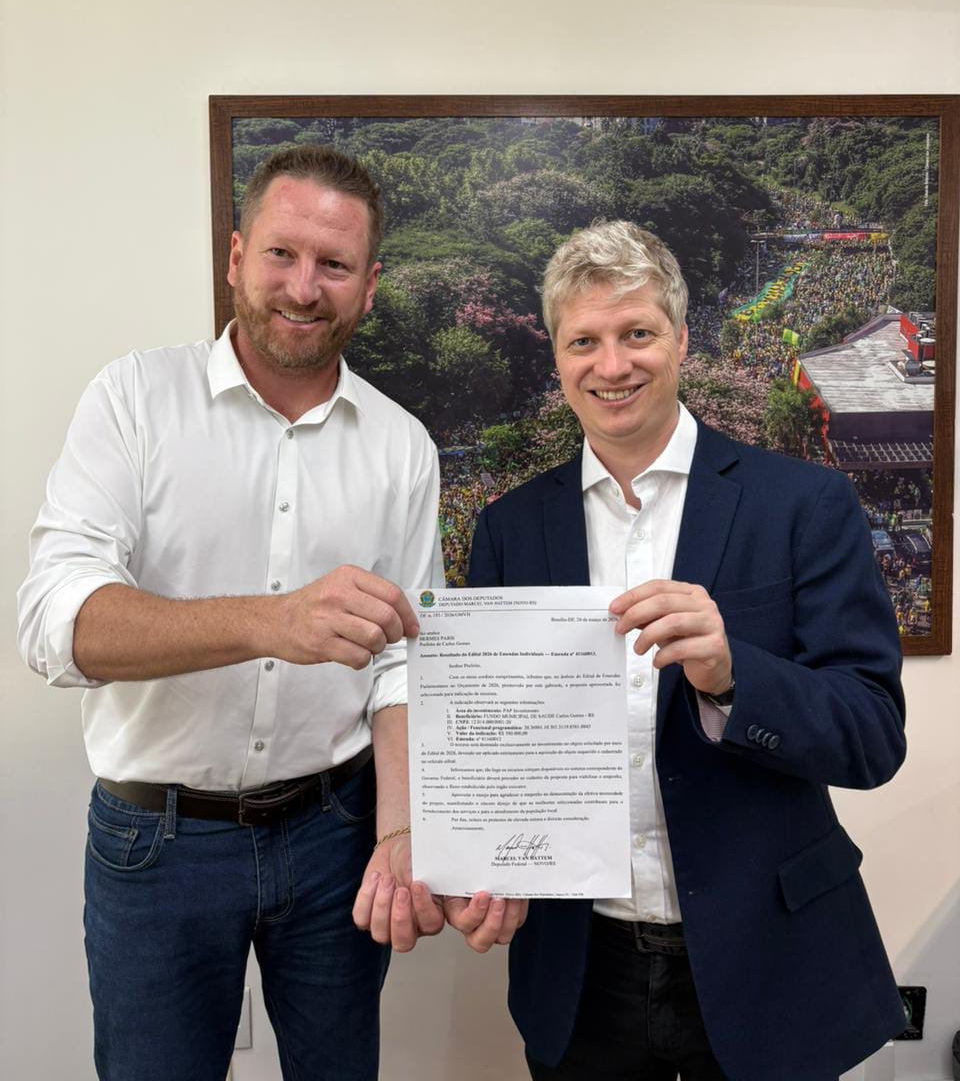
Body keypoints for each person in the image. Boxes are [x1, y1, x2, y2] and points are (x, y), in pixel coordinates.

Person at [18, 145, 446, 1081]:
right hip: (156, 841)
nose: (304, 287)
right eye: (282, 254)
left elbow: (405, 663)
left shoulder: (403, 446)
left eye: (334, 265)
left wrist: (400, 831)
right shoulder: (133, 400)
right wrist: (267, 622)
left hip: (337, 830)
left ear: (369, 286)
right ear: (237, 256)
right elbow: (57, 625)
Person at [447, 221, 907, 1081]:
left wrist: (734, 676)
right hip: (579, 972)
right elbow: (498, 747)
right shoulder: (510, 527)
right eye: (584, 341)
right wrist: (485, 864)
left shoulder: (803, 503)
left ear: (683, 339)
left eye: (637, 333)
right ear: (557, 357)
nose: (612, 365)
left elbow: (874, 735)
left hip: (768, 957)